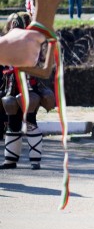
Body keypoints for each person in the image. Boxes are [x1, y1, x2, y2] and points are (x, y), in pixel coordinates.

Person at [0, 12, 55, 170]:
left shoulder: (31, 43)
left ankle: (35, 160)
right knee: (13, 123)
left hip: (29, 86)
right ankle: (10, 160)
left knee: (30, 121)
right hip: (11, 86)